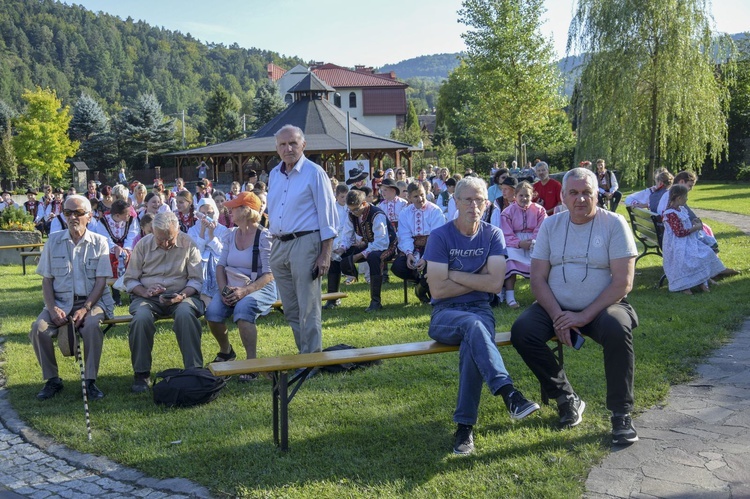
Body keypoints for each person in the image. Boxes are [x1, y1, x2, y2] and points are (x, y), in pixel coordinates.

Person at [511, 167, 640, 445]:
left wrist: (582, 316)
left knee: (618, 329)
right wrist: (559, 316)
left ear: (597, 195)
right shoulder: (551, 225)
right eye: (574, 193)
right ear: (563, 196)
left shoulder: (614, 224)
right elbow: (537, 279)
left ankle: (621, 414)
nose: (580, 199)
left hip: (604, 305)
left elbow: (622, 283)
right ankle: (565, 397)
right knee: (522, 331)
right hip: (555, 306)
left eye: (587, 193)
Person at [424, 177, 540, 455]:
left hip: (480, 310)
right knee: (472, 327)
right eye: (467, 199)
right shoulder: (440, 236)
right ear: (455, 202)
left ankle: (464, 428)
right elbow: (437, 288)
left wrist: (453, 273)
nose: (474, 206)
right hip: (444, 314)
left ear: (487, 204)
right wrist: (479, 277)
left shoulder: (493, 235)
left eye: (479, 200)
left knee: (472, 342)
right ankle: (508, 393)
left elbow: (494, 285)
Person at [29, 195, 115, 400]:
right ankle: (53, 380)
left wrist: (85, 308)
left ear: (89, 216)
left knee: (92, 326)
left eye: (78, 213)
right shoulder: (53, 240)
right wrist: (52, 309)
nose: (73, 217)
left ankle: (90, 382)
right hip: (60, 301)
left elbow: (101, 282)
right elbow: (47, 281)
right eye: (68, 212)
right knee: (38, 329)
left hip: (93, 301)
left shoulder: (100, 242)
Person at [267, 125, 338, 354]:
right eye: (283, 144)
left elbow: (328, 217)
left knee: (308, 305)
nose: (288, 148)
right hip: (279, 244)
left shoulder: (314, 172)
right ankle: (304, 354)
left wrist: (325, 254)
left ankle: (312, 357)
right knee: (290, 307)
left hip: (305, 243)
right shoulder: (274, 174)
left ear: (303, 145)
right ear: (276, 148)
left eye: (293, 143)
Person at [123, 211, 205, 393]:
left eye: (170, 238)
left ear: (177, 231)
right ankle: (141, 373)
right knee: (141, 318)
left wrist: (182, 295)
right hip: (148, 298)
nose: (166, 243)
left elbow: (197, 280)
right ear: (152, 231)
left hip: (181, 295)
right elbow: (130, 279)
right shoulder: (143, 245)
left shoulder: (188, 243)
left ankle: (194, 370)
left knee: (185, 314)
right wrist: (145, 291)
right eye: (160, 239)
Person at [206, 191, 277, 379]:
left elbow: (270, 274)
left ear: (246, 211)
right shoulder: (231, 234)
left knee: (244, 309)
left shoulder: (264, 236)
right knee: (212, 312)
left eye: (234, 208)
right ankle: (226, 351)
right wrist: (222, 290)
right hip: (232, 285)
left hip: (260, 286)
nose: (229, 210)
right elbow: (221, 266)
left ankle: (251, 364)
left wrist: (245, 291)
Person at [328, 189, 398, 312]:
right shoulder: (351, 215)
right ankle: (332, 299)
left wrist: (359, 255)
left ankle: (375, 302)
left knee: (373, 257)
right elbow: (347, 236)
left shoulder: (377, 214)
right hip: (369, 244)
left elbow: (381, 242)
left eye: (356, 209)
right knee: (335, 258)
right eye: (350, 209)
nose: (353, 212)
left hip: (387, 246)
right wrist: (341, 249)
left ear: (364, 204)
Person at [661, 184, 739, 294]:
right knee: (694, 257)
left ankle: (702, 282)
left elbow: (684, 223)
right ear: (679, 198)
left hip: (687, 242)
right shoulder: (670, 214)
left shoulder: (681, 209)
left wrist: (693, 223)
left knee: (706, 252)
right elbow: (679, 232)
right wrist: (695, 228)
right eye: (686, 196)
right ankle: (684, 286)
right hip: (678, 245)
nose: (687, 199)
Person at [392, 183, 447, 303]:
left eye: (422, 195)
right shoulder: (405, 213)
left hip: (433, 248)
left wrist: (426, 257)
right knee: (397, 267)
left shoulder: (435, 210)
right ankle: (420, 282)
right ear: (409, 198)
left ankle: (423, 289)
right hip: (413, 248)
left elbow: (436, 237)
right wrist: (409, 254)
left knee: (432, 268)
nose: (420, 199)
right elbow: (404, 235)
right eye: (416, 196)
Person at [500, 181, 547, 308]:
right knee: (509, 260)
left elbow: (542, 228)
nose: (524, 198)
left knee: (542, 263)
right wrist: (519, 243)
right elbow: (506, 232)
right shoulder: (507, 212)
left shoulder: (540, 210)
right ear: (515, 196)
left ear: (532, 195)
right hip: (515, 242)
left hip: (535, 241)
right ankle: (510, 297)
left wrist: (533, 240)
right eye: (521, 195)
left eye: (527, 195)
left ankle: (540, 296)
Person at [187, 197, 229, 307]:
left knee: (218, 267)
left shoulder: (222, 229)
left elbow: (222, 251)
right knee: (200, 266)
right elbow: (196, 251)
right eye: (203, 213)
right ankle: (206, 301)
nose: (206, 216)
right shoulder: (192, 230)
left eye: (209, 213)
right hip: (200, 259)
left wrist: (211, 235)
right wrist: (202, 231)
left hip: (217, 259)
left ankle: (218, 301)